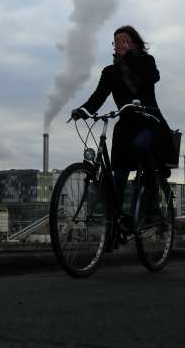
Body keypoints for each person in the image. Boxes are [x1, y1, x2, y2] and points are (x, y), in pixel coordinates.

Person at [71, 25, 174, 224]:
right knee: (118, 171)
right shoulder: (110, 72)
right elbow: (98, 96)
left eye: (124, 41)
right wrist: (83, 110)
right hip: (126, 126)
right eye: (116, 42)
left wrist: (131, 56)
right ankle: (115, 216)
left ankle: (153, 207)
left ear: (134, 43)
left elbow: (152, 77)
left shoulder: (146, 61)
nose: (119, 45)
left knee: (141, 147)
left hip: (149, 121)